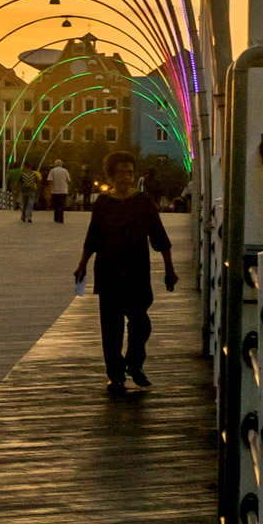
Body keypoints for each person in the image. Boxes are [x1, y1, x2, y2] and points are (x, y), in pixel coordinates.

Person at [73, 150, 177, 396]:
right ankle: (116, 374)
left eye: (130, 172)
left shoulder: (143, 201)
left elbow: (159, 235)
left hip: (137, 271)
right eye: (121, 172)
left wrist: (169, 269)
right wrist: (82, 264)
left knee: (141, 323)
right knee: (111, 327)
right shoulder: (103, 203)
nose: (127, 177)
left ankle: (134, 363)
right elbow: (93, 236)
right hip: (108, 271)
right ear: (111, 175)